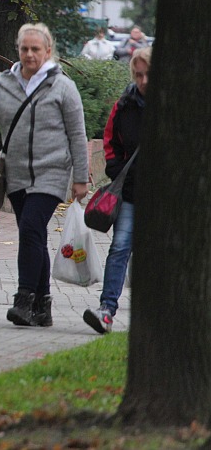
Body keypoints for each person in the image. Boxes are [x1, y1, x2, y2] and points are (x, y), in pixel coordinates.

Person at [0, 22, 89, 327]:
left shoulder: (62, 86)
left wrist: (80, 176)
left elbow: (78, 134)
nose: (29, 54)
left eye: (35, 49)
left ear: (48, 51)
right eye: (24, 49)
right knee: (33, 235)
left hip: (52, 171)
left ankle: (24, 300)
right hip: (16, 172)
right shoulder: (4, 84)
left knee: (30, 228)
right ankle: (43, 305)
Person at [83, 46, 151, 334]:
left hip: (168, 198)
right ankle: (107, 309)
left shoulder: (177, 104)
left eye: (148, 74)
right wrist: (116, 170)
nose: (144, 80)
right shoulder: (124, 104)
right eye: (138, 75)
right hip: (133, 192)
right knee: (120, 247)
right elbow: (110, 141)